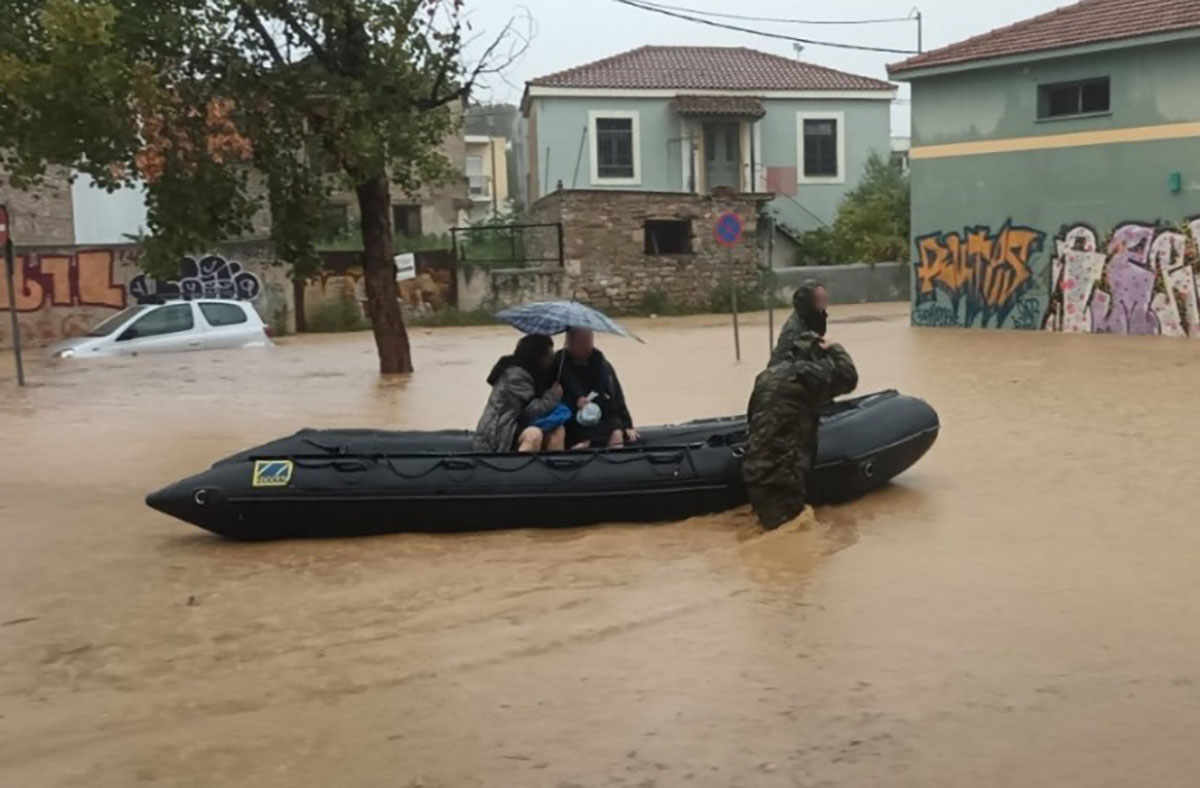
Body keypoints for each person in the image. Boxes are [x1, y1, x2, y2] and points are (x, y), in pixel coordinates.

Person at [742, 331, 858, 529]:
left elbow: (752, 418)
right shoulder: (806, 374)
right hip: (782, 476)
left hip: (754, 471)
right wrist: (834, 348)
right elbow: (849, 377)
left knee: (769, 532)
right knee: (787, 541)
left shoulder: (765, 377)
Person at [474, 334, 566, 453]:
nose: (551, 357)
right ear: (537, 356)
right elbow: (532, 411)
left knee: (558, 429)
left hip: (518, 424)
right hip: (500, 431)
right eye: (548, 353)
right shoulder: (515, 376)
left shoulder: (537, 372)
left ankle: (554, 469)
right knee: (534, 435)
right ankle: (520, 470)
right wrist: (553, 395)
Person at [553, 328, 638, 449]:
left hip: (600, 416)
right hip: (571, 418)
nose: (587, 346)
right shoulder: (558, 365)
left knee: (616, 431)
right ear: (569, 343)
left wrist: (626, 424)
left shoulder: (602, 364)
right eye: (581, 342)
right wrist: (574, 402)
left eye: (588, 341)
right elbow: (551, 398)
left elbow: (616, 396)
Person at [772, 279, 829, 363]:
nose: (822, 305)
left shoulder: (816, 318)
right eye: (818, 300)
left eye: (824, 299)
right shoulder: (794, 329)